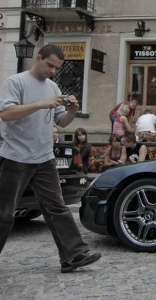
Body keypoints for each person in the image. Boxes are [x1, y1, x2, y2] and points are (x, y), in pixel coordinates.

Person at [0, 44, 101, 272]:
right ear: (38, 58)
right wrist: (39, 104)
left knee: (57, 207)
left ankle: (73, 255)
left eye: (57, 68)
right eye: (50, 66)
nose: (53, 72)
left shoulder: (53, 86)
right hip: (16, 157)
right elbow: (5, 114)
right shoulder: (16, 82)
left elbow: (62, 122)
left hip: (44, 158)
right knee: (4, 213)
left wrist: (73, 110)